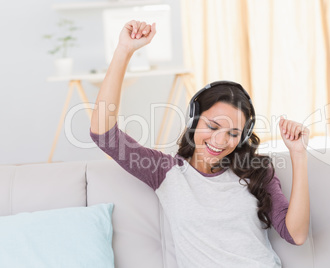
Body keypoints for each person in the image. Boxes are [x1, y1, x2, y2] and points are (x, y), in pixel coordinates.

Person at [90, 20, 310, 268]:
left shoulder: (256, 171)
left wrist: (298, 154)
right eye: (213, 127)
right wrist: (124, 50)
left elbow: (296, 235)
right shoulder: (166, 171)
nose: (220, 141)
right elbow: (104, 136)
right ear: (194, 120)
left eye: (233, 133)